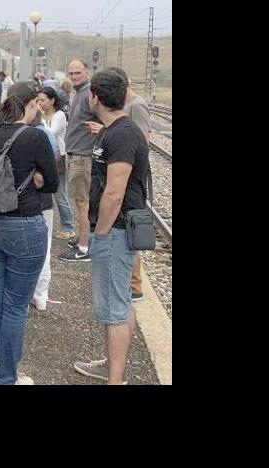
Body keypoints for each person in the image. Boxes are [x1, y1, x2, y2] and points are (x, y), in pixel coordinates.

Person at [0, 82, 58, 385]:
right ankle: (7, 378)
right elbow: (52, 184)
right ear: (31, 104)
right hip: (24, 226)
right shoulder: (35, 137)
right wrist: (37, 180)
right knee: (14, 307)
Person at [71, 69, 149, 386]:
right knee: (121, 302)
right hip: (115, 230)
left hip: (115, 231)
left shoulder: (123, 134)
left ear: (95, 97)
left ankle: (115, 379)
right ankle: (111, 367)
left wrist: (100, 234)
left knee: (114, 308)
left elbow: (114, 193)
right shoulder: (114, 130)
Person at [112, 67, 153, 302]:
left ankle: (135, 284)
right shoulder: (126, 104)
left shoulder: (137, 105)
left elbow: (143, 141)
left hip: (131, 174)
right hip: (124, 169)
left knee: (131, 226)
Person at [58, 60, 98, 263]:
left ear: (87, 72)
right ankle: (84, 238)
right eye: (71, 73)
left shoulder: (90, 93)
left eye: (78, 73)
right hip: (76, 154)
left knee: (83, 203)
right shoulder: (79, 92)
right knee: (80, 201)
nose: (74, 76)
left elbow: (105, 118)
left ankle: (83, 248)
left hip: (83, 156)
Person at [30, 89, 60, 312]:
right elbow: (54, 164)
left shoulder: (20, 132)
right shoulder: (47, 133)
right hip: (44, 199)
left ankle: (32, 293)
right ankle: (41, 295)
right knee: (44, 246)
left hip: (26, 200)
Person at [37, 86, 75, 243]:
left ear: (52, 100)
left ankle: (69, 227)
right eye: (38, 100)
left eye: (43, 100)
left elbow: (50, 133)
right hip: (44, 157)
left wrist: (38, 118)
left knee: (60, 195)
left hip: (58, 158)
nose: (40, 103)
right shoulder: (42, 116)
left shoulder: (59, 115)